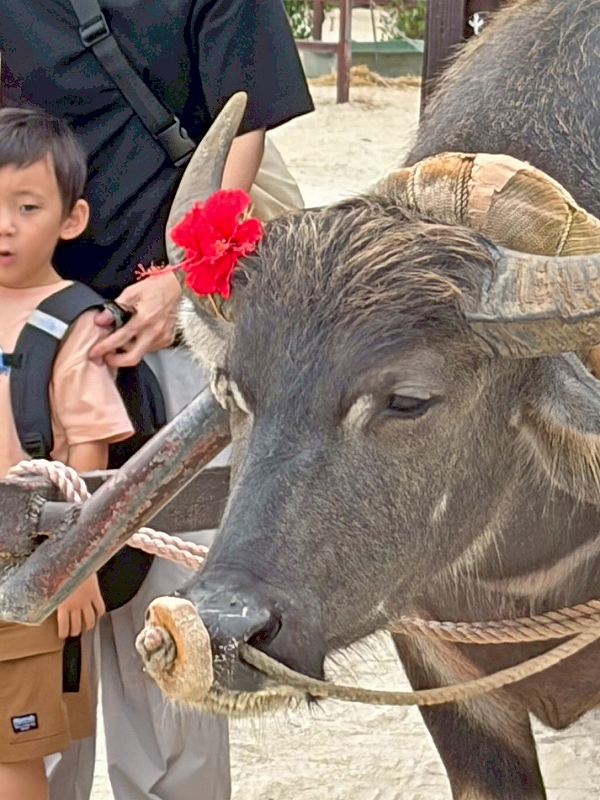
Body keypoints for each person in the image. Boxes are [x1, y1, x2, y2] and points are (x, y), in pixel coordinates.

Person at [0, 2, 315, 799]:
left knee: (169, 620)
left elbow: (244, 118)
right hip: (24, 335)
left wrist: (186, 278)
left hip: (171, 333)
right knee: (28, 641)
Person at [0, 106, 135, 800]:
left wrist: (73, 567)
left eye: (27, 207)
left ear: (71, 218)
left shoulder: (73, 322)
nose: (5, 225)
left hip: (24, 567)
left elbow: (88, 451)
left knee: (12, 755)